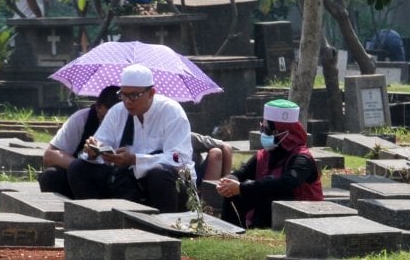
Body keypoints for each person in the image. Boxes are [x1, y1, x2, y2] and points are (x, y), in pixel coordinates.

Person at [67, 63, 195, 213]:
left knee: (159, 174)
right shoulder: (117, 111)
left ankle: (165, 231)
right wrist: (93, 152)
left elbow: (179, 159)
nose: (127, 101)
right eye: (123, 94)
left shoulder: (171, 111)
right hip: (126, 180)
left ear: (151, 93)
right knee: (78, 168)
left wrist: (135, 159)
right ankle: (98, 220)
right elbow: (102, 144)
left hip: (172, 186)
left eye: (134, 95)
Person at [216, 99, 323, 229]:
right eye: (262, 128)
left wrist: (242, 188)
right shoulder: (264, 155)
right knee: (234, 195)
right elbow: (242, 172)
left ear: (283, 133)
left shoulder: (302, 158)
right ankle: (230, 233)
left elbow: (285, 183)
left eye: (266, 130)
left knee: (269, 192)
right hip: (272, 208)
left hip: (304, 212)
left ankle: (258, 232)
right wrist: (228, 182)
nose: (262, 133)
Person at [38, 85, 121, 198]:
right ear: (98, 107)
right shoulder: (81, 119)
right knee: (51, 176)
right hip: (81, 177)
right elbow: (50, 155)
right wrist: (81, 167)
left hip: (116, 178)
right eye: (107, 116)